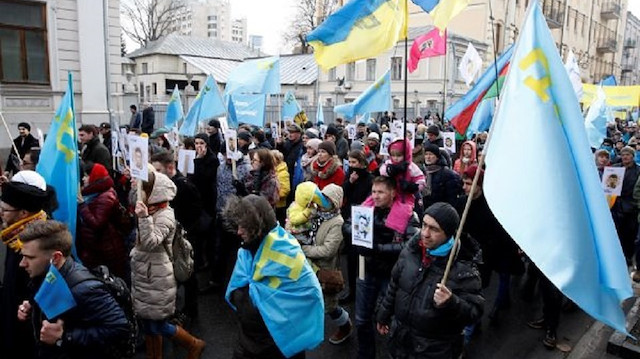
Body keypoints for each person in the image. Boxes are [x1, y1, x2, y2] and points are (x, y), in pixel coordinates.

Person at [376, 202, 485, 359]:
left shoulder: (463, 269)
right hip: (400, 342)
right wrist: (383, 313)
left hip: (433, 351)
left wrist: (452, 303)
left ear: (448, 233)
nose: (425, 233)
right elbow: (395, 285)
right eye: (424, 225)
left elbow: (474, 312)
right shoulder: (411, 251)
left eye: (434, 229)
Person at [224, 194, 324, 359]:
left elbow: (310, 292)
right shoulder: (246, 251)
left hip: (281, 346)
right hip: (248, 344)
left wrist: (253, 304)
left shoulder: (288, 252)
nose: (238, 231)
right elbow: (240, 286)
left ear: (258, 226)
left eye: (244, 226)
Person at [17, 220, 130, 359]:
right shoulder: (46, 274)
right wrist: (33, 308)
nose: (22, 263)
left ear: (56, 257)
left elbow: (119, 328)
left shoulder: (84, 289)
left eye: (29, 257)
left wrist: (64, 337)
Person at [130, 168, 206, 359]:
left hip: (157, 274)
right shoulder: (151, 207)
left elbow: (151, 242)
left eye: (142, 188)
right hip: (145, 272)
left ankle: (193, 344)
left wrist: (144, 218)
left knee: (158, 323)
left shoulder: (164, 214)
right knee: (147, 323)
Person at [344, 176, 420, 359]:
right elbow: (346, 225)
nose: (375, 196)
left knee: (392, 321)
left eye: (381, 192)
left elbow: (412, 244)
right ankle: (365, 354)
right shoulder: (366, 209)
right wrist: (359, 236)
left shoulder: (407, 214)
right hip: (366, 269)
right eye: (373, 191)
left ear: (393, 193)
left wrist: (378, 248)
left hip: (392, 274)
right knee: (362, 319)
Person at [0, 171, 50, 357]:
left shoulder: (41, 240)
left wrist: (29, 306)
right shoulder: (14, 234)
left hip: (26, 328)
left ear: (23, 213)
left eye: (5, 210)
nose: (1, 213)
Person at [300, 184, 353, 345]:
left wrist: (305, 249)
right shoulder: (316, 214)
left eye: (327, 199)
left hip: (326, 269)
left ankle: (345, 326)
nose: (322, 201)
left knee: (330, 306)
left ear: (335, 202)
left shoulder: (337, 222)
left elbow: (328, 250)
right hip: (310, 265)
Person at [76, 162, 127, 278]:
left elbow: (97, 223)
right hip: (97, 248)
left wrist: (82, 206)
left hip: (107, 250)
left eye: (87, 175)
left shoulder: (105, 198)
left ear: (95, 177)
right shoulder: (93, 194)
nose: (84, 179)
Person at [341, 150, 374, 303]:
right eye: (350, 162)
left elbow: (367, 199)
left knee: (362, 259)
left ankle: (363, 292)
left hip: (362, 220)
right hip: (349, 218)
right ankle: (352, 290)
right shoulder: (350, 176)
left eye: (354, 162)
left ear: (361, 163)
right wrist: (350, 182)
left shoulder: (369, 179)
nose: (352, 165)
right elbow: (343, 193)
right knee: (351, 259)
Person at [613, 146, 640, 264]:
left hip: (632, 206)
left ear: (633, 157)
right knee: (617, 233)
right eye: (623, 154)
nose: (625, 157)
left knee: (630, 234)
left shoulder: (638, 170)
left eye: (628, 154)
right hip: (616, 205)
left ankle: (628, 257)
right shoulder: (614, 169)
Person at [421, 143, 463, 210]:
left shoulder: (447, 174)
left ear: (437, 157)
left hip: (441, 211)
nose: (428, 157)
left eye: (431, 154)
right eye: (426, 154)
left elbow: (451, 198)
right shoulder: (422, 172)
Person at [272, 150, 291, 225]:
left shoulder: (283, 173)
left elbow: (286, 190)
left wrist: (275, 196)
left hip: (279, 205)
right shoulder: (273, 170)